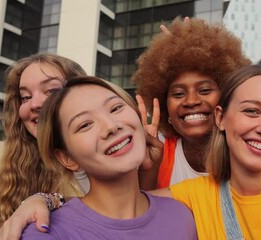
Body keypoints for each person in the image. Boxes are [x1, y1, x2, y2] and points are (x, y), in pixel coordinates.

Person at [1, 65, 261, 240]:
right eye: (251, 110)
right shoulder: (190, 199)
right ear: (222, 117)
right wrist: (43, 200)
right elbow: (111, 208)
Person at [20, 76, 197, 239]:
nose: (112, 126)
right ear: (67, 158)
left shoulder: (181, 216)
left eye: (116, 108)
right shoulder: (46, 232)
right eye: (85, 125)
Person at [132, 17, 251, 189]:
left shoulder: (247, 151)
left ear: (227, 95)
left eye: (204, 90)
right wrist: (148, 171)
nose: (191, 101)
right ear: (166, 108)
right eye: (178, 93)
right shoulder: (156, 153)